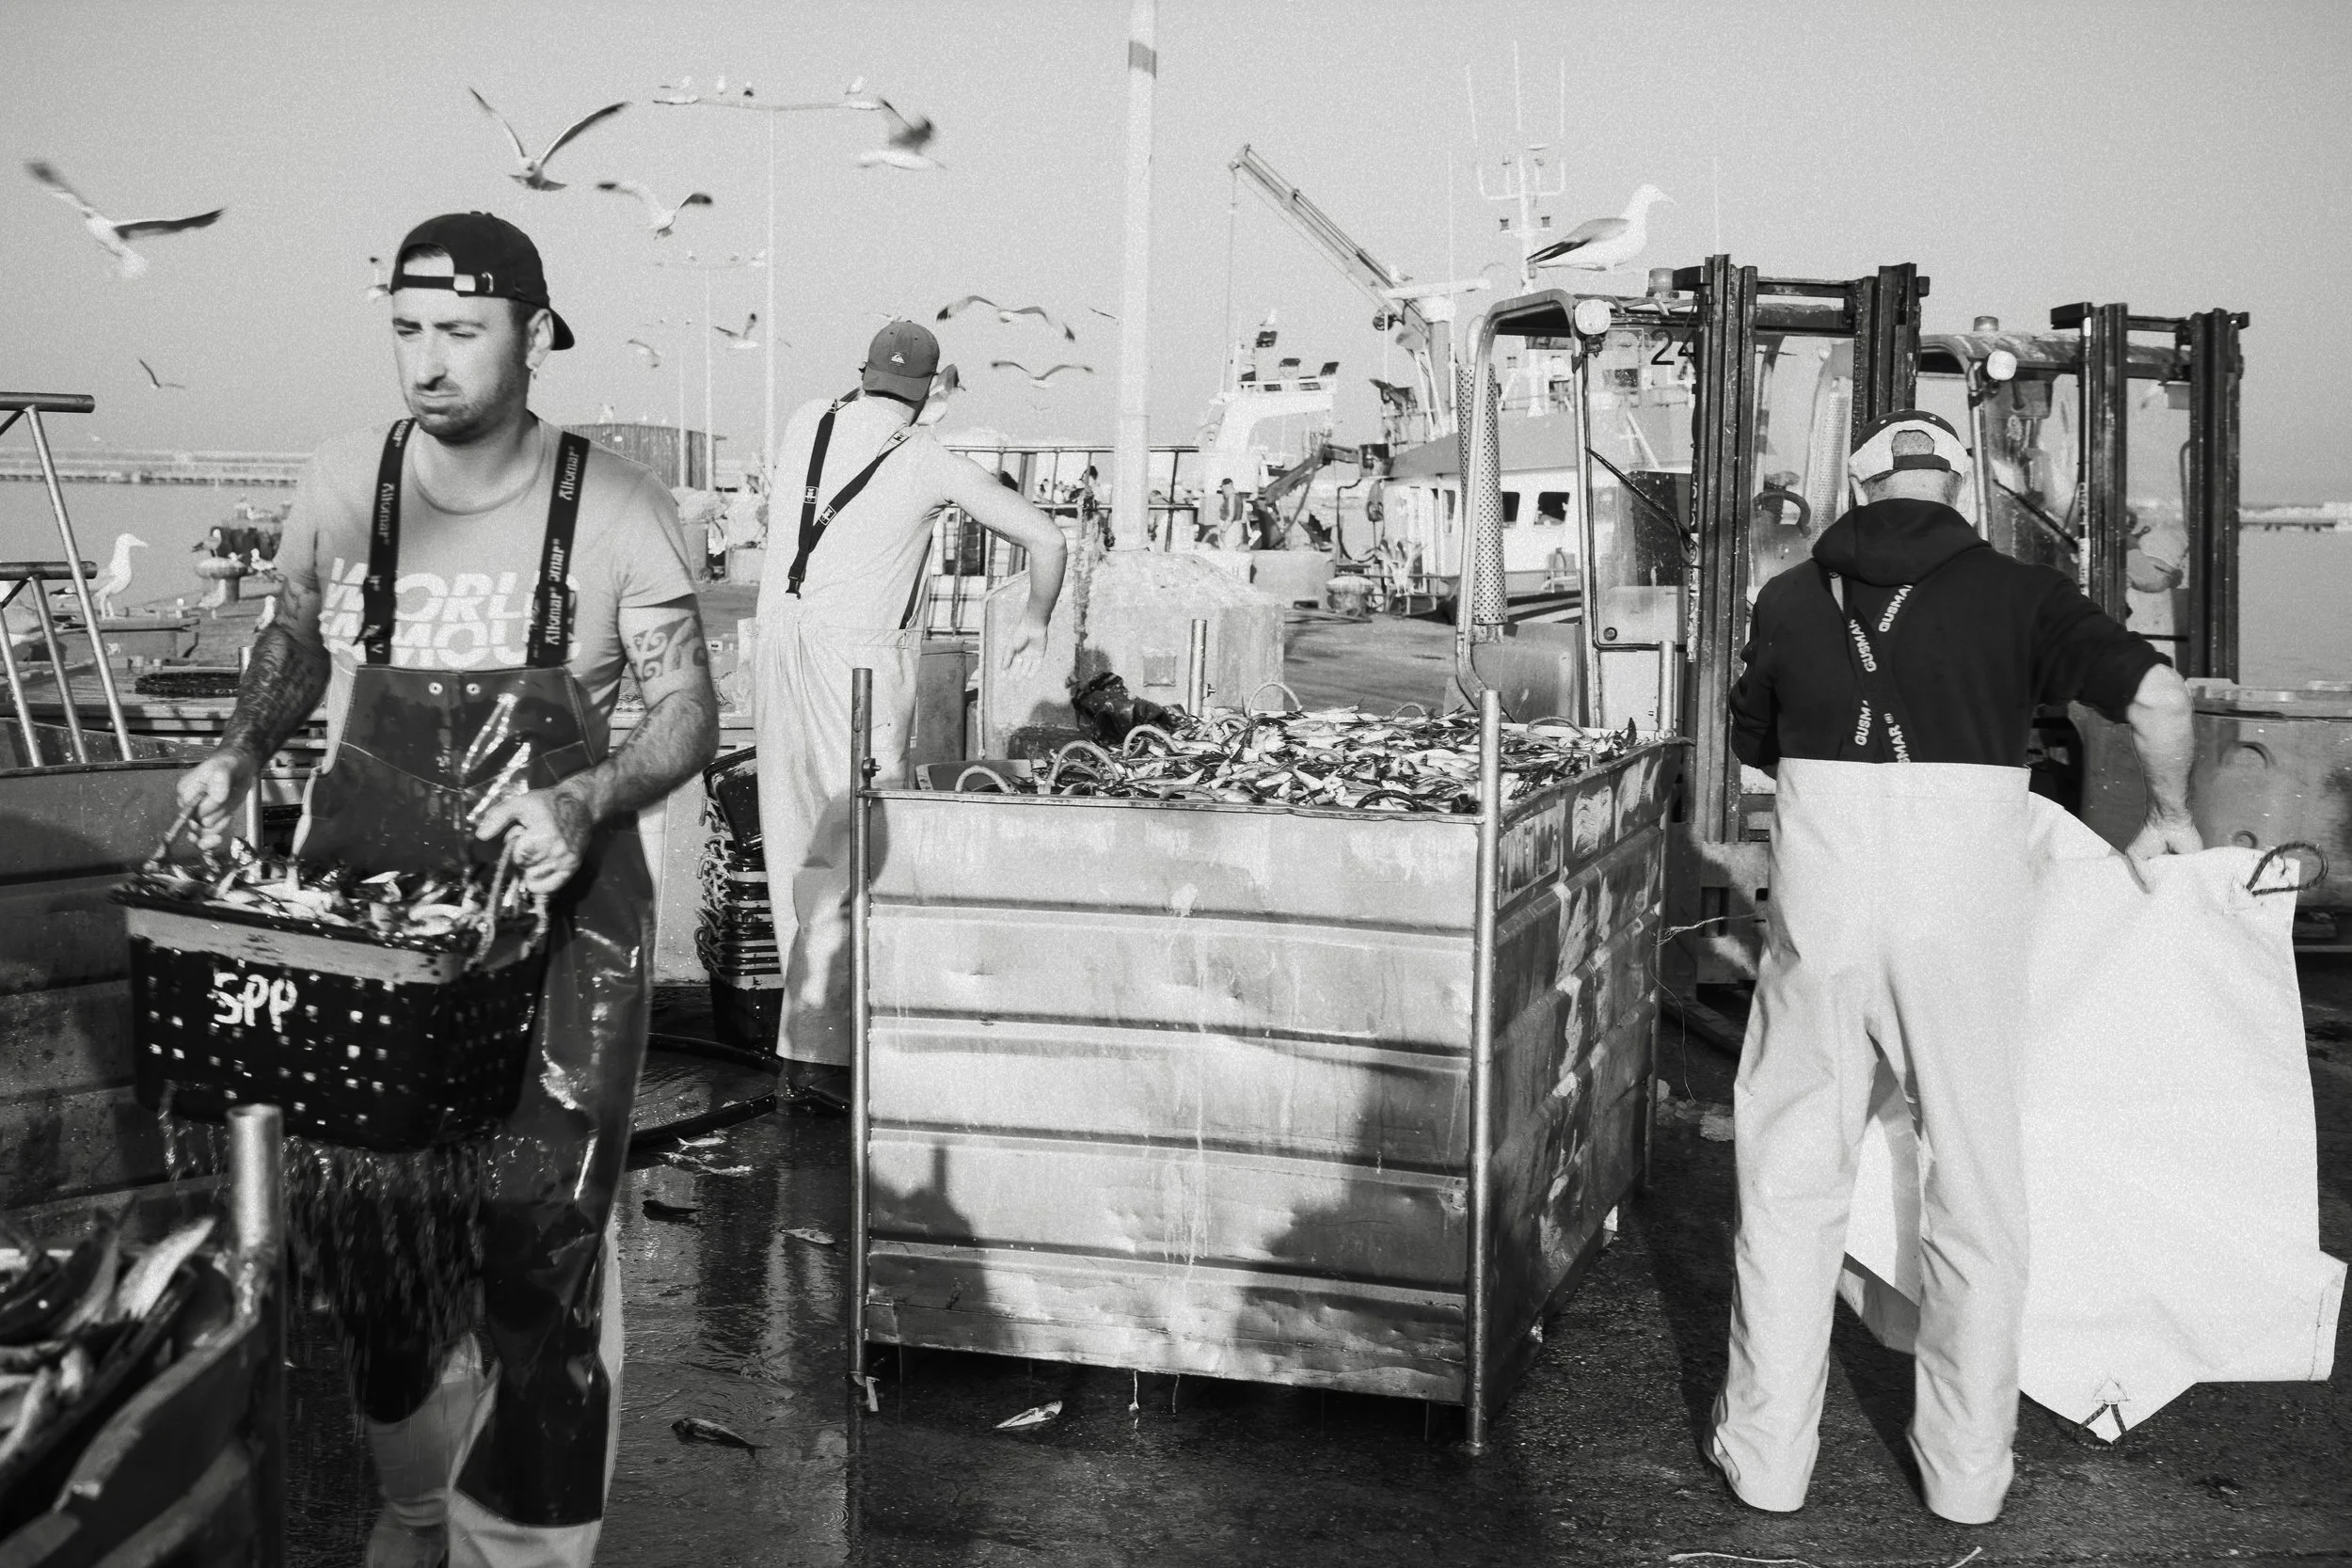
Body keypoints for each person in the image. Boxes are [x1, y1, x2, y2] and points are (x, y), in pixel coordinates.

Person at [176, 212, 719, 1568]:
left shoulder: (617, 504)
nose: (427, 362)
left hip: (559, 916)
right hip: (372, 903)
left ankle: (518, 1547)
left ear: (534, 338)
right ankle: (419, 1501)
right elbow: (294, 632)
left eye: (461, 332)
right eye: (408, 330)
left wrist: (588, 794)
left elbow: (687, 710)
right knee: (370, 1234)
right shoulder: (339, 478)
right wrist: (244, 746)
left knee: (541, 1230)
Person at [1709, 409, 2199, 1525]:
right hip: (1959, 926)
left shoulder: (1788, 597)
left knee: (1789, 1184)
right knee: (1974, 1194)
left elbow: (1751, 736)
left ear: (1855, 483)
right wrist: (2167, 812)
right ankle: (1967, 1477)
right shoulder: (2020, 594)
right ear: (1963, 490)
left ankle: (1767, 1458)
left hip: (1824, 922)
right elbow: (2159, 698)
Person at [755, 321, 1068, 1106]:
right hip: (854, 663)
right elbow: (1047, 540)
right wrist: (1033, 622)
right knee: (851, 849)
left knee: (791, 834)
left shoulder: (806, 421)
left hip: (777, 642)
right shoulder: (928, 458)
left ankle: (799, 1048)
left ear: (862, 373)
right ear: (928, 392)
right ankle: (827, 1063)